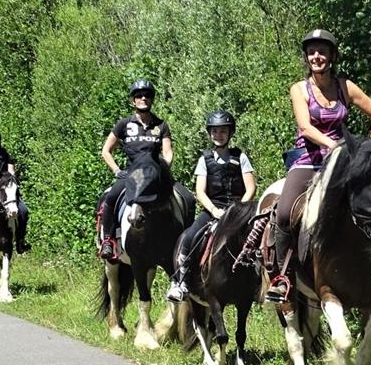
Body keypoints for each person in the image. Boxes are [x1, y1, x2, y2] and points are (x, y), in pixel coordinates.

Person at [266, 29, 371, 304]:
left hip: (344, 165)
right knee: (285, 213)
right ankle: (283, 277)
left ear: (332, 56)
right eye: (311, 51)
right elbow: (305, 127)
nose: (316, 56)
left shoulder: (346, 87)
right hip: (308, 161)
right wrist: (334, 146)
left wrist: (367, 151)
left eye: (322, 51)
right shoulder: (299, 89)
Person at [166, 110, 258, 302]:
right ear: (210, 133)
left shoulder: (240, 157)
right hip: (213, 209)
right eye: (215, 131)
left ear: (230, 133)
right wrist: (214, 210)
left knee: (260, 237)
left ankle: (261, 283)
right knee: (190, 237)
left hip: (238, 211)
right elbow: (200, 191)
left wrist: (239, 210)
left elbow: (251, 187)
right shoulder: (204, 160)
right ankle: (180, 281)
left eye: (223, 131)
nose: (219, 135)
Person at [96, 80, 183, 260]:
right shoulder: (123, 124)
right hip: (133, 175)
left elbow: (168, 152)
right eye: (138, 96)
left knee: (187, 197)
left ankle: (184, 244)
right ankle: (108, 240)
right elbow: (106, 150)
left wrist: (163, 170)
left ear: (152, 100)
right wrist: (117, 170)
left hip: (155, 175)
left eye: (147, 95)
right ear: (133, 101)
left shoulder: (161, 125)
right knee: (110, 198)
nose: (143, 98)